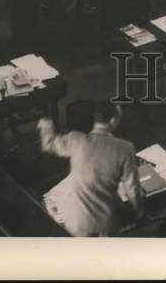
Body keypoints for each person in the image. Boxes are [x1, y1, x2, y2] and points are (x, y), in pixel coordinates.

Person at [38, 100, 143, 237]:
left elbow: (49, 145)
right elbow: (132, 188)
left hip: (76, 221)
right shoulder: (125, 148)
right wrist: (139, 209)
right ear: (113, 121)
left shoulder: (75, 140)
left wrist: (46, 125)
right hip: (104, 223)